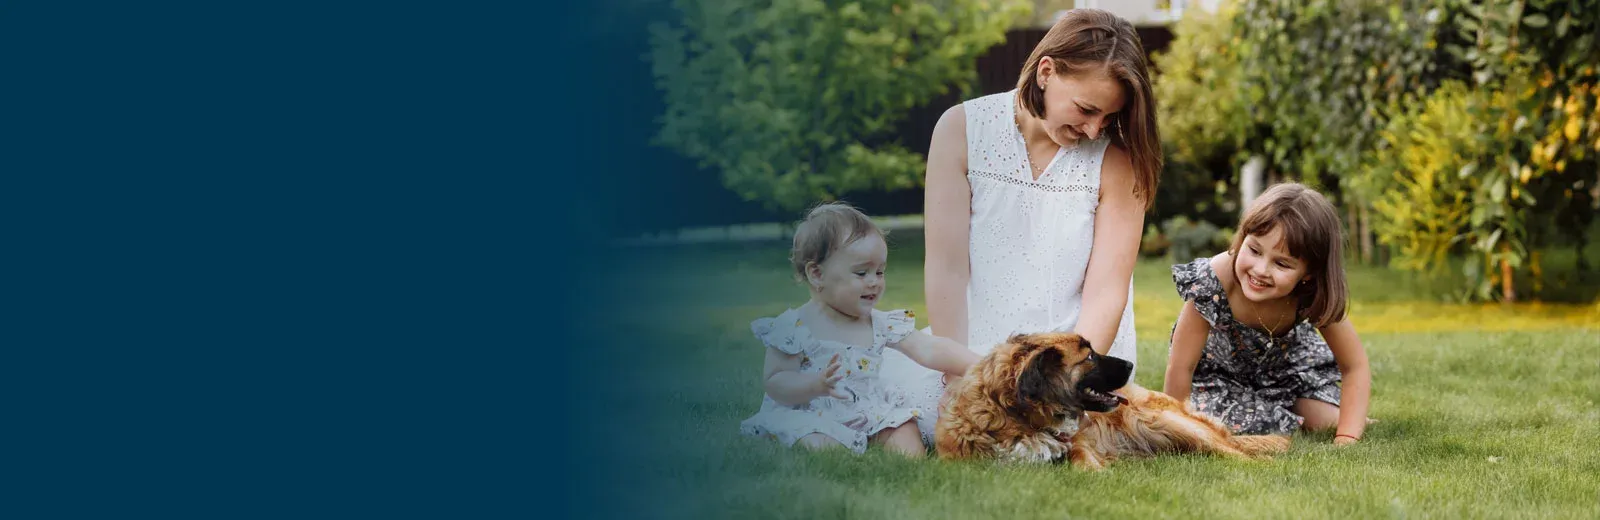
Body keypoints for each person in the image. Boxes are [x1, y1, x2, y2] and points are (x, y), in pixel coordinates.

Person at [881, 8, 1162, 446]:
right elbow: (947, 268)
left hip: (1070, 357)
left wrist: (1070, 386)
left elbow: (1107, 290)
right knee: (892, 413)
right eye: (1087, 110)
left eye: (1106, 119)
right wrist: (961, 375)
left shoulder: (1118, 163)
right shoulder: (961, 129)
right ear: (1046, 71)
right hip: (975, 349)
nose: (1093, 130)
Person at [740, 202, 980, 456]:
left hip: (867, 410)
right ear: (817, 274)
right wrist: (815, 385)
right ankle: (829, 449)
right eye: (862, 273)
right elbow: (776, 382)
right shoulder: (795, 328)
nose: (874, 282)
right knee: (817, 443)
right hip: (811, 411)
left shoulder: (879, 323)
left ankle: (896, 452)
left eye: (880, 272)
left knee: (906, 437)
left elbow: (928, 348)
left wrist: (980, 364)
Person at [1164, 183, 1373, 445]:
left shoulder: (1312, 293)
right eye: (1254, 250)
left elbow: (1354, 366)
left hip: (1289, 375)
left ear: (1308, 274)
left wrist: (1346, 436)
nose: (1261, 270)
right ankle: (1274, 414)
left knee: (1326, 421)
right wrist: (1176, 429)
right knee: (1215, 422)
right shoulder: (1215, 279)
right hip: (1221, 379)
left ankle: (1311, 412)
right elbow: (1181, 367)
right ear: (1242, 238)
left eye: (1282, 263)